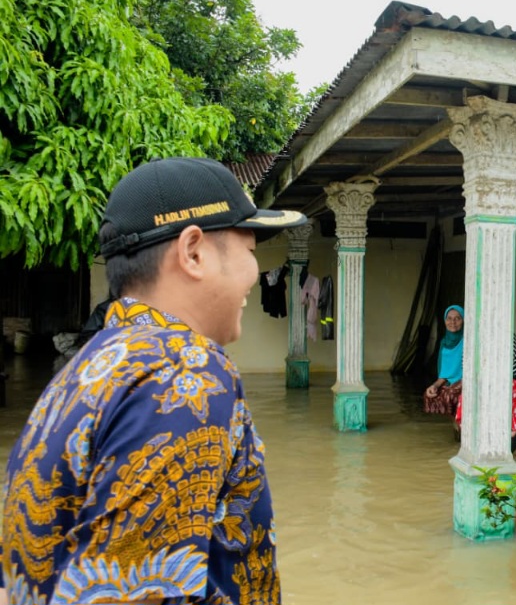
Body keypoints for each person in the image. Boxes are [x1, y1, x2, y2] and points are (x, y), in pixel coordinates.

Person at [0, 157, 307, 605]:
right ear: (194, 252)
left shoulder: (84, 368)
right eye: (250, 253)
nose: (253, 277)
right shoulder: (187, 370)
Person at [454, 335, 516, 451]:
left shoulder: (506, 334)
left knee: (499, 397)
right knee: (468, 398)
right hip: (483, 380)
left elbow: (504, 367)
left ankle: (506, 434)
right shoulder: (471, 335)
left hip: (510, 381)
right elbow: (467, 366)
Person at [424, 305, 465, 416]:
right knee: (429, 394)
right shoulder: (444, 343)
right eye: (449, 318)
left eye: (457, 318)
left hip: (466, 382)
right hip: (451, 384)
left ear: (463, 320)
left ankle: (462, 426)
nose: (453, 322)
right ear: (445, 321)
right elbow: (443, 375)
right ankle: (456, 425)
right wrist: (434, 386)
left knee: (450, 394)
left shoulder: (468, 339)